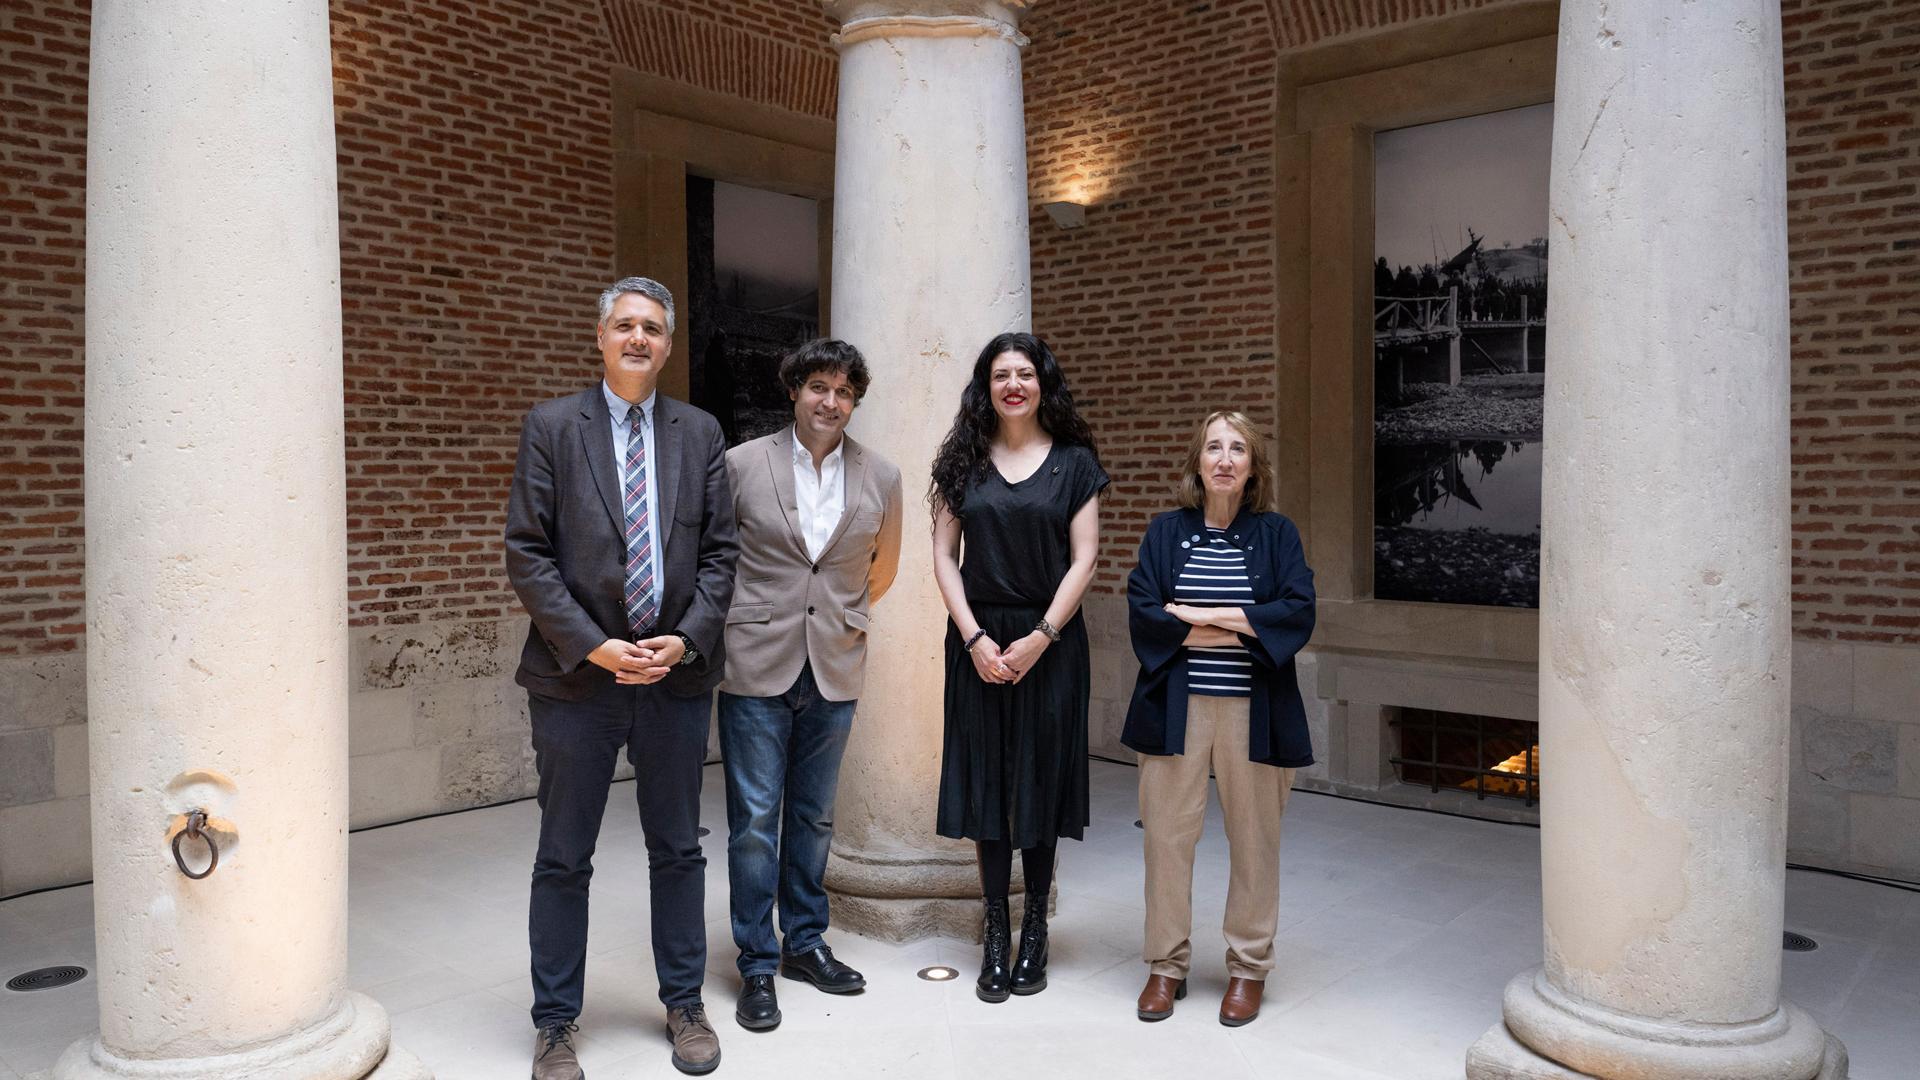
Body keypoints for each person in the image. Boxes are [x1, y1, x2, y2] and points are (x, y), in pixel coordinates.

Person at [504, 276, 737, 1078]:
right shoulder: (552, 427)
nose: (639, 338)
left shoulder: (700, 433)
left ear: (669, 346)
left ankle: (684, 1005)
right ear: (601, 336)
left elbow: (721, 556)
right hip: (578, 682)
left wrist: (685, 639)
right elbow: (527, 555)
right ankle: (556, 1024)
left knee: (677, 849)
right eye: (625, 325)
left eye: (653, 329)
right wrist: (596, 646)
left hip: (672, 683)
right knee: (563, 856)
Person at [718, 338, 904, 1032]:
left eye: (845, 392)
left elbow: (879, 570)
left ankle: (805, 942)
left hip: (835, 661)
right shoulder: (741, 464)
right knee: (755, 824)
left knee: (815, 816)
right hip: (755, 661)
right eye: (819, 387)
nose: (831, 401)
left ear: (855, 402)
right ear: (794, 390)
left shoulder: (881, 475)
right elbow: (719, 554)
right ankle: (757, 962)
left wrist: (840, 617)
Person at [1122, 409, 1316, 1028]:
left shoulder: (1277, 535)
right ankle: (1165, 965)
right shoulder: (1164, 532)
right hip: (1176, 713)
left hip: (1254, 715)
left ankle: (1247, 968)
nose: (1225, 459)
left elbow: (1296, 612)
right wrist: (1247, 620)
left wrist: (1204, 620)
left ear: (1253, 465)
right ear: (1198, 463)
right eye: (1214, 448)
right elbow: (1146, 611)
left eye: (1238, 449)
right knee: (1166, 840)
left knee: (1255, 843)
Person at [929, 331, 1107, 1003]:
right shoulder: (961, 464)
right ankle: (995, 930)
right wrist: (974, 638)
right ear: (986, 385)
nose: (1013, 384)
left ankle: (1035, 928)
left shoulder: (1075, 463)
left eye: (1024, 373)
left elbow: (1085, 557)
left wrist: (1041, 636)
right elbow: (945, 557)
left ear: (1042, 383)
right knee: (989, 782)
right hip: (978, 638)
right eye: (1001, 373)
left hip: (1049, 640)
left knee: (1037, 779)